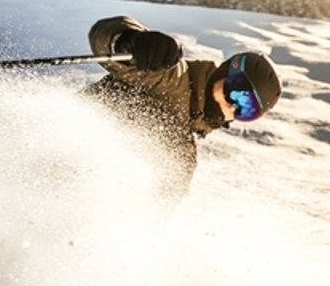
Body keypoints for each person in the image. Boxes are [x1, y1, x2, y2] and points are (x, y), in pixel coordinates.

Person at [85, 15, 282, 194]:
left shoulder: (184, 155)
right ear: (225, 73)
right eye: (238, 95)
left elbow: (154, 214)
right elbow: (103, 34)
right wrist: (129, 41)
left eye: (248, 111)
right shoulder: (172, 77)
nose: (233, 108)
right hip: (67, 141)